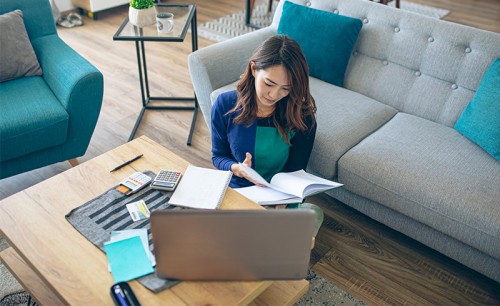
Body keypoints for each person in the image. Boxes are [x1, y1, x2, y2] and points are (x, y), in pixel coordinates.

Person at [211, 34, 317, 190]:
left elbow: (296, 172)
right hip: (240, 190)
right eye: (269, 83)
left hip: (283, 194)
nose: (274, 95)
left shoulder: (302, 117)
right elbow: (218, 156)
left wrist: (283, 201)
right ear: (254, 69)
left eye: (286, 88)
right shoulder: (225, 105)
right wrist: (236, 168)